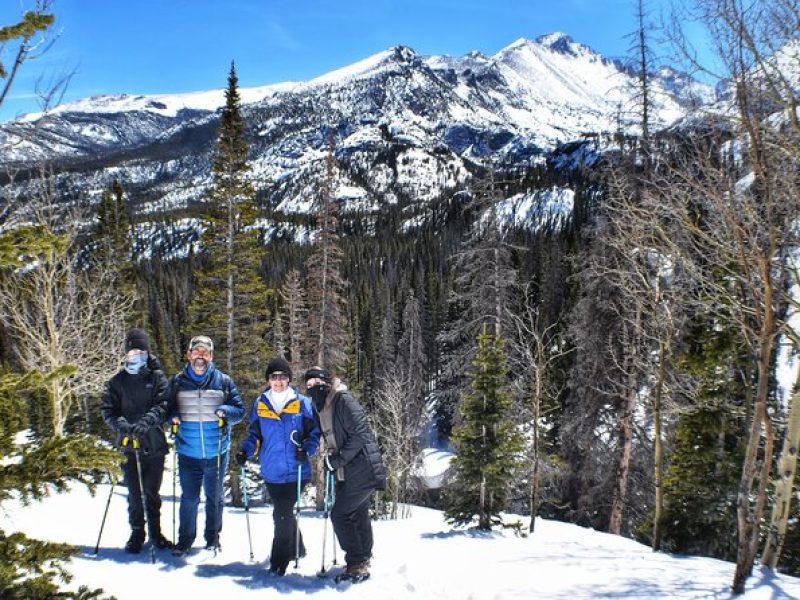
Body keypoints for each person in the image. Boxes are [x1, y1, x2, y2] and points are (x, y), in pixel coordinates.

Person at [236, 357, 320, 575]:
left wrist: (308, 450)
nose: (279, 381)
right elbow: (255, 435)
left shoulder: (302, 403)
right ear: (268, 380)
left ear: (290, 380)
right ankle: (297, 548)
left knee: (281, 514)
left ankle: (279, 560)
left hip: (297, 471)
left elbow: (314, 434)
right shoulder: (260, 404)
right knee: (285, 513)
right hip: (272, 472)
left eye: (283, 377)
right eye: (274, 377)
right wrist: (245, 451)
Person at [303, 366, 386, 581]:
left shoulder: (343, 400)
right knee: (357, 513)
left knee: (339, 514)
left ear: (327, 382)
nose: (313, 387)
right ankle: (363, 558)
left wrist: (336, 460)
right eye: (309, 385)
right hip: (347, 470)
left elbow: (360, 434)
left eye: (317, 383)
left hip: (363, 466)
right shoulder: (320, 406)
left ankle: (357, 562)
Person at [167, 334, 245, 556]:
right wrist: (172, 416)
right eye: (196, 351)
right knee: (189, 498)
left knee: (215, 498)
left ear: (211, 356)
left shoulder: (224, 382)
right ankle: (185, 540)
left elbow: (239, 412)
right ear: (189, 354)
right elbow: (165, 409)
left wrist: (226, 412)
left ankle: (212, 538)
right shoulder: (178, 381)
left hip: (216, 452)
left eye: (205, 352)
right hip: (188, 452)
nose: (200, 356)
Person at [101, 328, 172, 553]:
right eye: (132, 351)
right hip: (128, 444)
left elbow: (163, 405)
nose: (136, 354)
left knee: (151, 492)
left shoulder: (157, 377)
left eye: (141, 350)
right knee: (134, 492)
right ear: (126, 353)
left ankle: (155, 533)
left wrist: (147, 421)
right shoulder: (117, 381)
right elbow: (108, 410)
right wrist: (122, 425)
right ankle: (136, 533)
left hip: (154, 443)